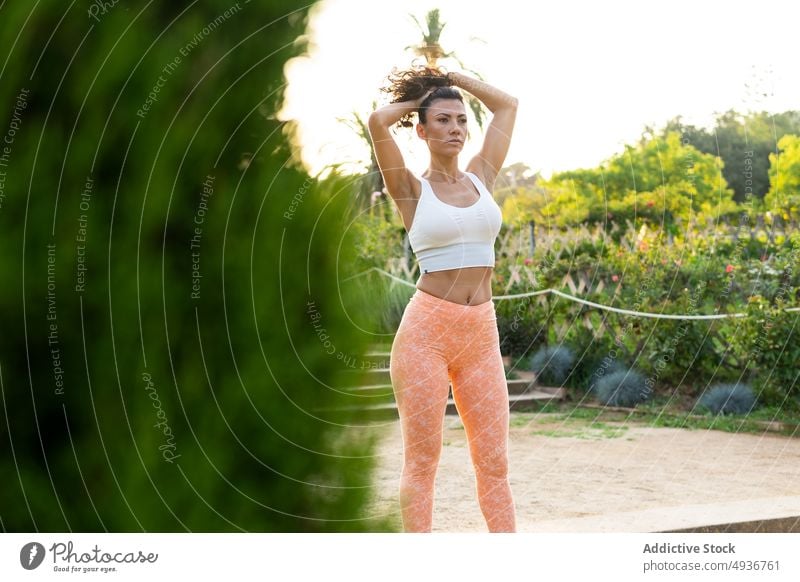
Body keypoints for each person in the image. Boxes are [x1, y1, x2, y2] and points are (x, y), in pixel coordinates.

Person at [367, 67, 518, 532]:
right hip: (426, 335)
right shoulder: (411, 188)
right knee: (422, 462)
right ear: (422, 129)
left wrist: (454, 78)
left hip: (481, 332)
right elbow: (376, 121)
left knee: (494, 462)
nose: (454, 129)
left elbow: (508, 106)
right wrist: (421, 98)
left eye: (460, 121)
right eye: (443, 120)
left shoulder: (480, 177)